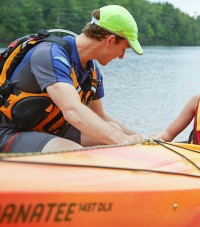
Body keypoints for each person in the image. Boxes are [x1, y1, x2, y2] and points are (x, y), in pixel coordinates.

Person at [0, 5, 144, 153]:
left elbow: (99, 116)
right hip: (9, 132)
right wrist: (120, 139)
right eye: (124, 49)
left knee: (113, 128)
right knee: (70, 149)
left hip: (49, 132)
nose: (121, 57)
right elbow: (72, 110)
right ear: (110, 40)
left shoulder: (92, 71)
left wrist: (137, 137)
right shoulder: (49, 54)